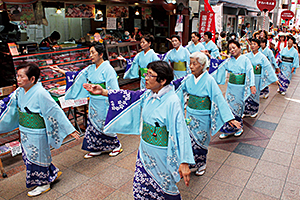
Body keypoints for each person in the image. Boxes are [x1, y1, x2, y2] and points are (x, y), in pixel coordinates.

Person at [83, 60, 195, 199]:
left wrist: (184, 161)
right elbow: (129, 96)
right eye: (146, 73)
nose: (145, 78)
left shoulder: (172, 101)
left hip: (161, 153)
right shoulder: (148, 94)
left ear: (162, 80)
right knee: (141, 187)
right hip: (144, 151)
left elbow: (180, 131)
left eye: (150, 75)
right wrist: (103, 92)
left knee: (164, 187)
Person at [0, 62, 80, 197]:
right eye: (17, 76)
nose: (18, 79)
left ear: (32, 79)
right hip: (25, 130)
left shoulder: (41, 93)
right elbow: (7, 103)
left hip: (37, 132)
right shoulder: (19, 91)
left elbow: (54, 111)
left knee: (37, 157)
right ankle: (52, 173)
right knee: (29, 157)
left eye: (21, 77)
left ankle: (43, 184)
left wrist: (69, 129)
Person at [172, 52, 241, 176]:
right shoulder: (188, 78)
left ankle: (201, 164)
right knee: (188, 140)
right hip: (190, 114)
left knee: (201, 141)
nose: (191, 66)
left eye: (194, 63)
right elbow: (177, 89)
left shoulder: (209, 80)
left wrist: (229, 118)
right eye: (190, 63)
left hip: (203, 116)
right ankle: (190, 163)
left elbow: (218, 98)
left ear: (202, 65)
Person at [62, 42, 122, 158]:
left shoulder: (108, 69)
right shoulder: (90, 68)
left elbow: (114, 89)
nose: (90, 55)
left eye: (93, 52)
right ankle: (96, 147)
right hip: (93, 101)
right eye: (90, 52)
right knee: (93, 125)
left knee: (105, 124)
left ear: (101, 54)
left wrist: (113, 102)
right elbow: (77, 76)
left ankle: (116, 145)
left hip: (104, 101)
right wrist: (62, 72)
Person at [211, 40, 256, 139]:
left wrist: (252, 85)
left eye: (234, 48)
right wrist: (210, 59)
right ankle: (227, 129)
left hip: (240, 89)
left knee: (238, 108)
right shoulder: (228, 61)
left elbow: (250, 71)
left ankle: (239, 128)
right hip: (230, 88)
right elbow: (219, 67)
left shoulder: (245, 60)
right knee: (228, 107)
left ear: (239, 48)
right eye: (230, 49)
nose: (232, 50)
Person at [244, 38, 278, 117]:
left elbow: (268, 67)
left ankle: (254, 111)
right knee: (247, 92)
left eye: (254, 44)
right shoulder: (247, 56)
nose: (252, 46)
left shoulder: (262, 57)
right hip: (248, 77)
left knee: (255, 93)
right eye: (251, 44)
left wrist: (275, 79)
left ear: (258, 46)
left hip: (257, 77)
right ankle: (245, 111)